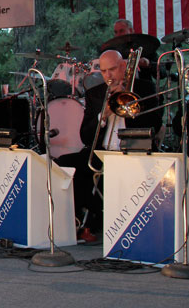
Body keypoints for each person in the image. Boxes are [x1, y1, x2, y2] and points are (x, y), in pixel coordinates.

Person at [59, 49, 161, 242]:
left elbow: (155, 124)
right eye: (104, 71)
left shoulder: (145, 88)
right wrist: (102, 116)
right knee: (64, 163)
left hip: (134, 152)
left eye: (112, 69)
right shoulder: (95, 94)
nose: (108, 76)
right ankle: (85, 217)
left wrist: (131, 105)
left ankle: (94, 219)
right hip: (103, 152)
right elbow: (85, 136)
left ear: (123, 66)